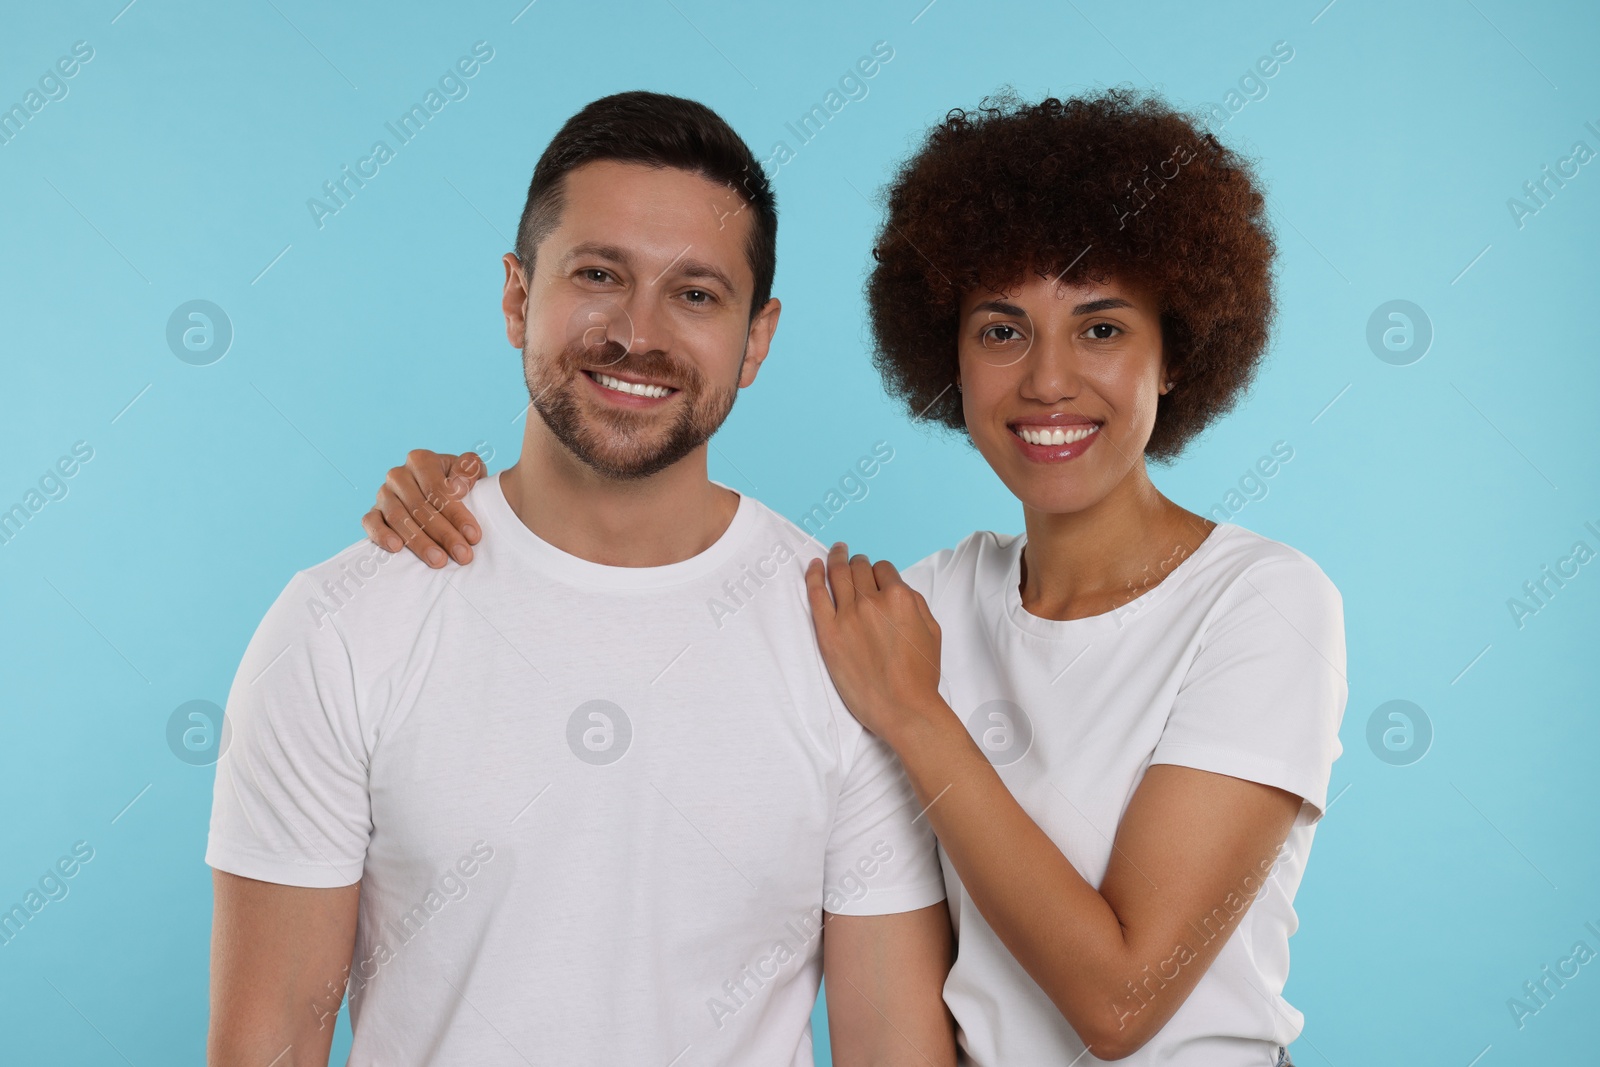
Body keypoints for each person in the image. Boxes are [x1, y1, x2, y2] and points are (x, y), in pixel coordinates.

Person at [364, 88, 1347, 1065]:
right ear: (949, 356)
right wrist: (467, 498)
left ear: (1173, 353)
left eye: (1100, 328)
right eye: (1002, 330)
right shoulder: (921, 603)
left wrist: (916, 714)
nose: (1047, 379)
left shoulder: (1259, 602)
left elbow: (1119, 1001)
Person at [207, 91, 956, 1067]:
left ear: (756, 338)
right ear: (519, 297)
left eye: (695, 293)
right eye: (600, 274)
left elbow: (891, 1048)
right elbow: (270, 1043)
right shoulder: (340, 627)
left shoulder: (852, 645)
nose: (637, 333)